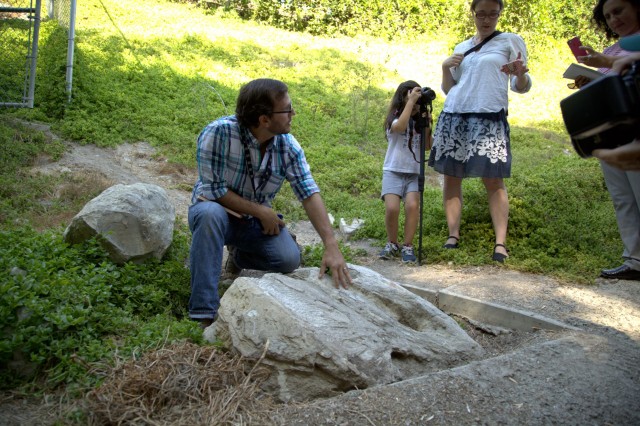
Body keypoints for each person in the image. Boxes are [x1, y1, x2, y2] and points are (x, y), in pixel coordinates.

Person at [188, 78, 352, 328]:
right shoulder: (218, 133)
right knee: (209, 215)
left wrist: (331, 244)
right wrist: (262, 211)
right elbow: (215, 191)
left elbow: (308, 192)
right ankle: (203, 311)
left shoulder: (287, 145)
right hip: (215, 211)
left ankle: (239, 255)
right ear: (264, 119)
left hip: (253, 223)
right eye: (287, 109)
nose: (293, 114)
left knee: (288, 258)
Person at [427, 0, 532, 262]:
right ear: (473, 14)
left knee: (493, 179)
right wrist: (444, 66)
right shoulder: (462, 47)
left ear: (499, 14)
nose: (486, 20)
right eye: (481, 14)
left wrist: (520, 75)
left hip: (488, 115)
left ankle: (500, 243)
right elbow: (450, 89)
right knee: (452, 177)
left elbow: (522, 86)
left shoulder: (510, 41)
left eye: (492, 14)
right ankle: (453, 234)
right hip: (454, 114)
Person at [571, 0, 640, 280]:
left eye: (619, 11)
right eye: (608, 15)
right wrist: (589, 81)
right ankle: (634, 260)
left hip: (635, 131)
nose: (613, 19)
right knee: (623, 198)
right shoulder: (611, 50)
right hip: (609, 131)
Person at [378, 81, 430, 263]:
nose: (415, 102)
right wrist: (409, 104)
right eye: (411, 97)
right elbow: (399, 127)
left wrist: (427, 122)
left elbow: (428, 146)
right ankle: (392, 242)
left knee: (412, 206)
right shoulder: (394, 115)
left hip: (413, 172)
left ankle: (408, 245)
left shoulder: (420, 119)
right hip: (393, 169)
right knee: (392, 208)